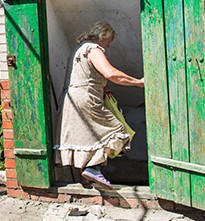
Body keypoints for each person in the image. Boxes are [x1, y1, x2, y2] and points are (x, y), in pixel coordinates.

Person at [53, 21, 144, 188]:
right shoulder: (93, 49)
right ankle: (93, 168)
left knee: (87, 139)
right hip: (86, 99)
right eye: (109, 41)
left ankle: (86, 179)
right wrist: (137, 82)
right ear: (103, 37)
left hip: (70, 100)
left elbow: (85, 76)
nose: (108, 46)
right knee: (118, 131)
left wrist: (102, 89)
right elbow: (110, 73)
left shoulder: (78, 49)